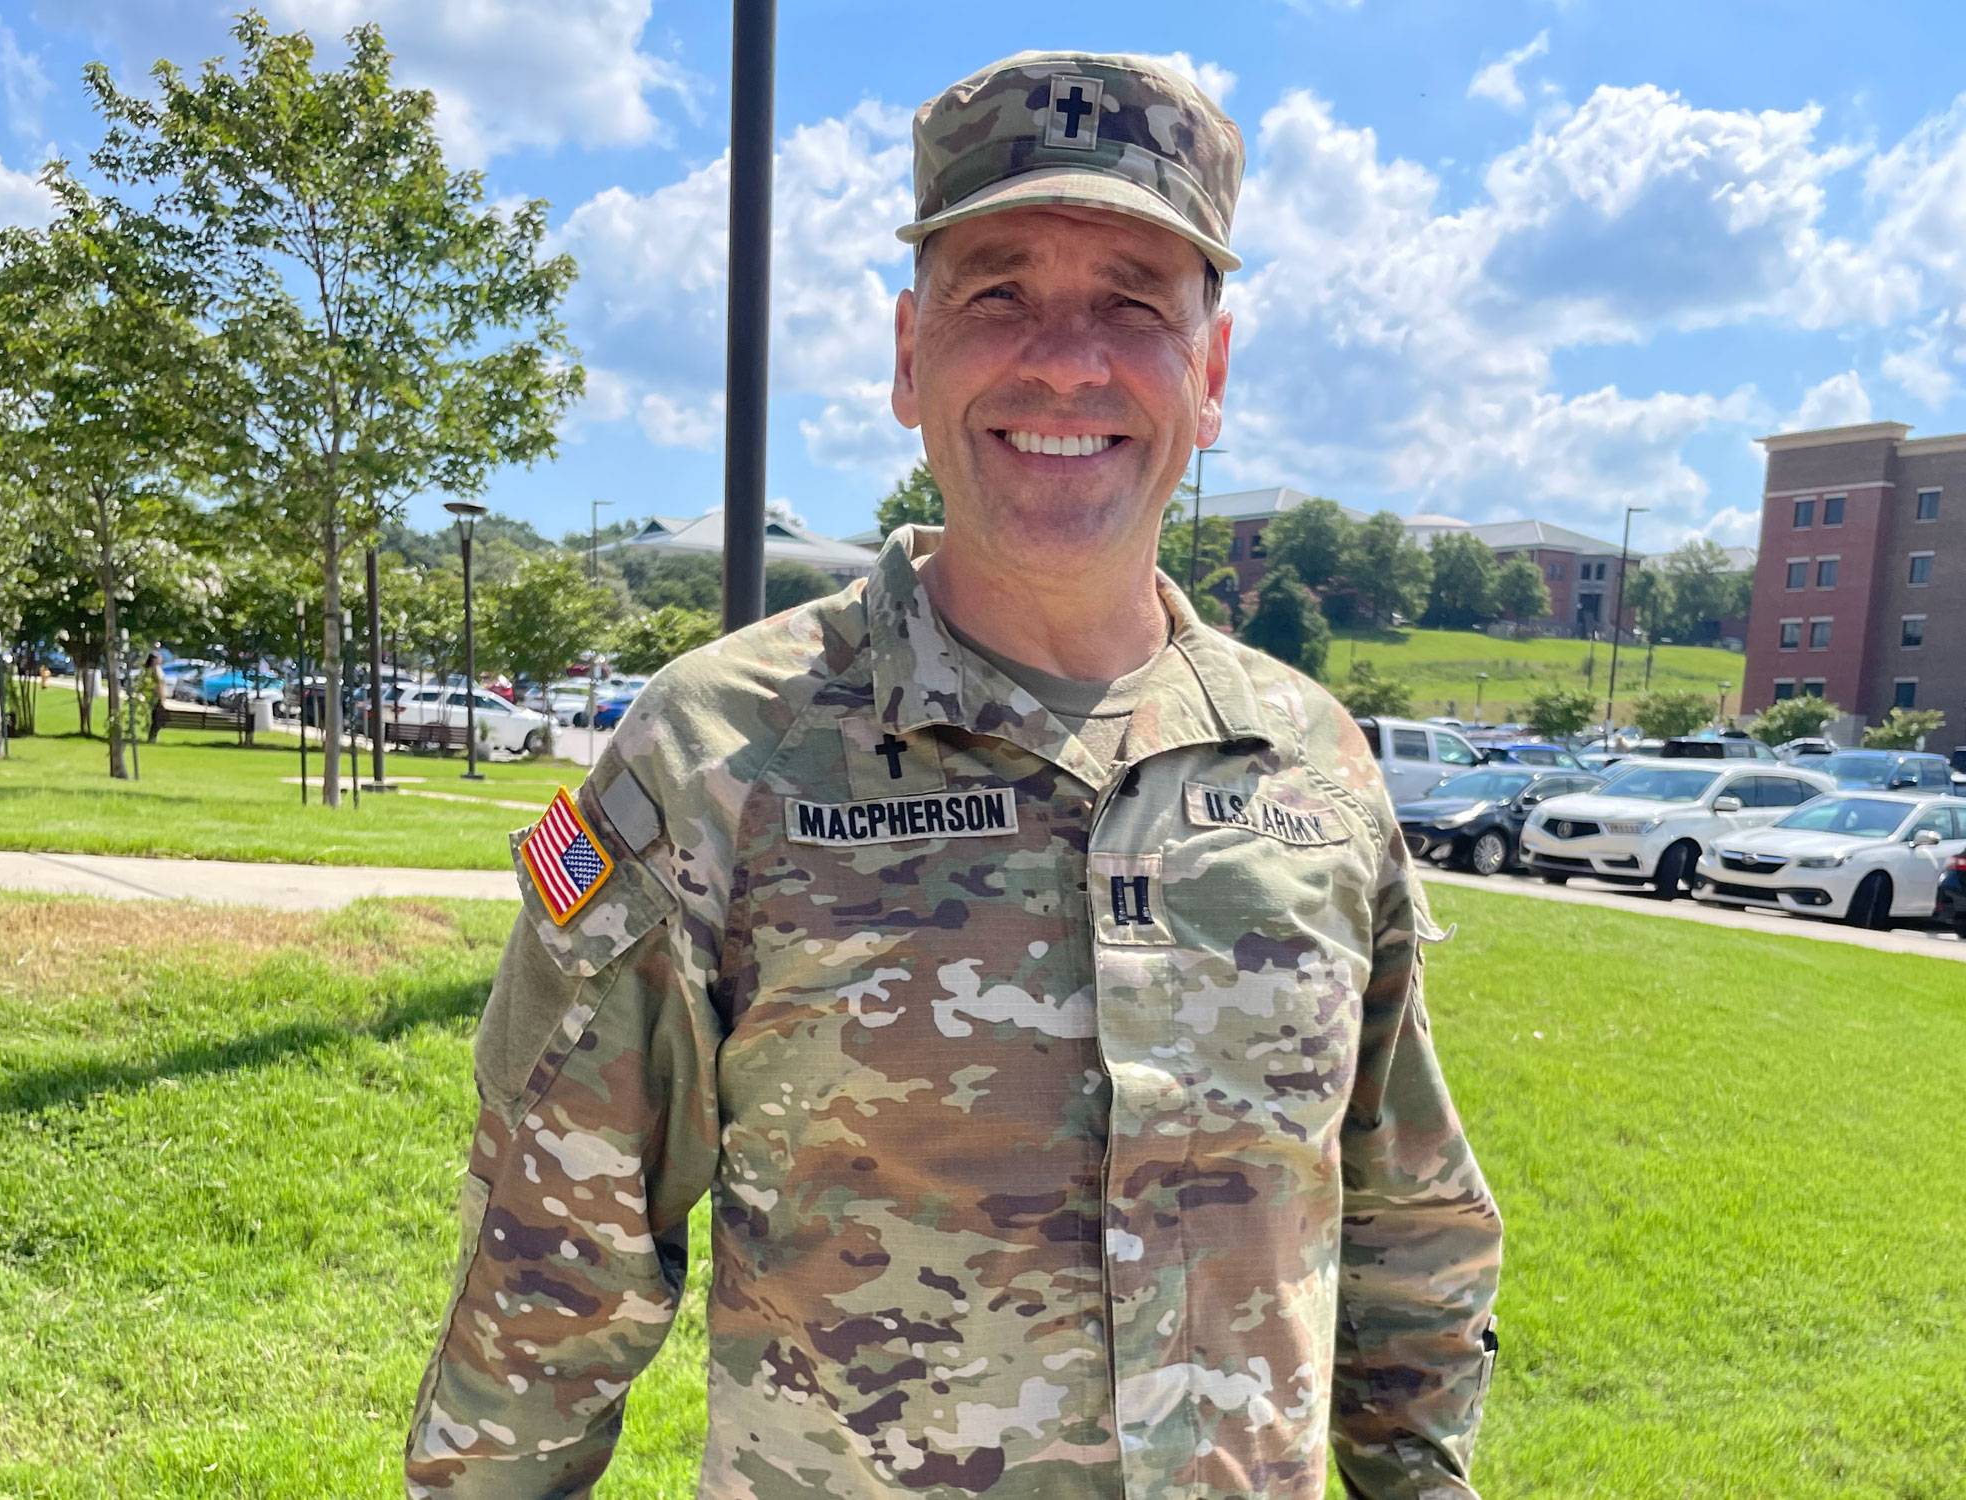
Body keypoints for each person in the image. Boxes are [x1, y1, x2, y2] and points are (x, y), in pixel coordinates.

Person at [406, 50, 1501, 1500]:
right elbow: (553, 1265)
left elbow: (1407, 1226)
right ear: (911, 354)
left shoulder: (1312, 766)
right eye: (1000, 296)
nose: (1067, 360)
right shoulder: (719, 755)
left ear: (1210, 375)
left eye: (1134, 303)